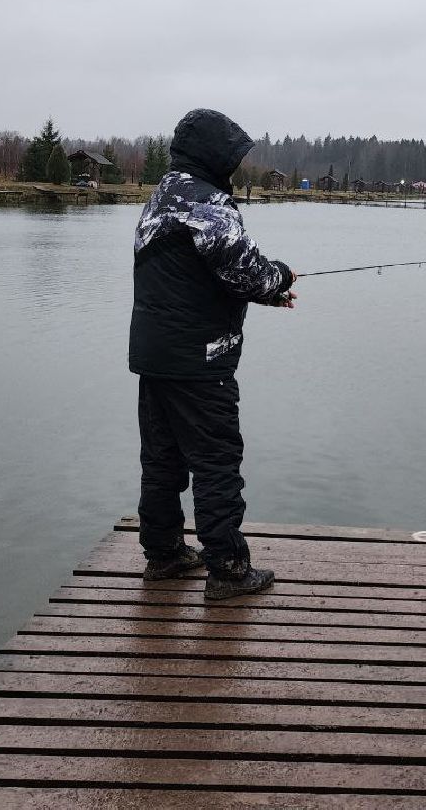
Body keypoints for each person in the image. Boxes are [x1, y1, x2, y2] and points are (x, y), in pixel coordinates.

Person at [128, 109, 297, 600]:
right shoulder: (208, 204)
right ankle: (227, 569)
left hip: (154, 354)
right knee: (217, 460)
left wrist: (265, 290)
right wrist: (280, 278)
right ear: (212, 154)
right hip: (201, 361)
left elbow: (204, 271)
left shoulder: (163, 196)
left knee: (161, 460)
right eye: (232, 154)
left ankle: (162, 555)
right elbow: (244, 273)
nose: (237, 164)